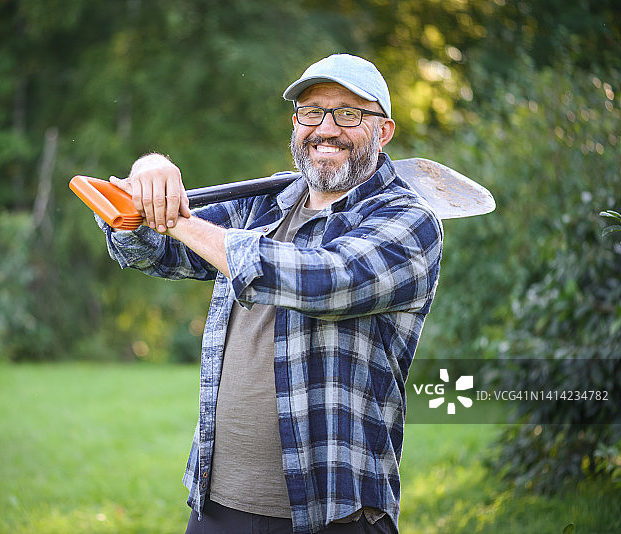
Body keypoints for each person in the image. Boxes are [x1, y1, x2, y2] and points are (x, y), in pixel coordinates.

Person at [96, 54, 443, 534]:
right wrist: (149, 175)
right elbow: (152, 252)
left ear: (383, 132)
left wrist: (178, 219)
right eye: (311, 111)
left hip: (333, 513)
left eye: (348, 113)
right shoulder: (264, 205)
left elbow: (325, 279)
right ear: (295, 124)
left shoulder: (409, 221)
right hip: (217, 506)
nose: (326, 127)